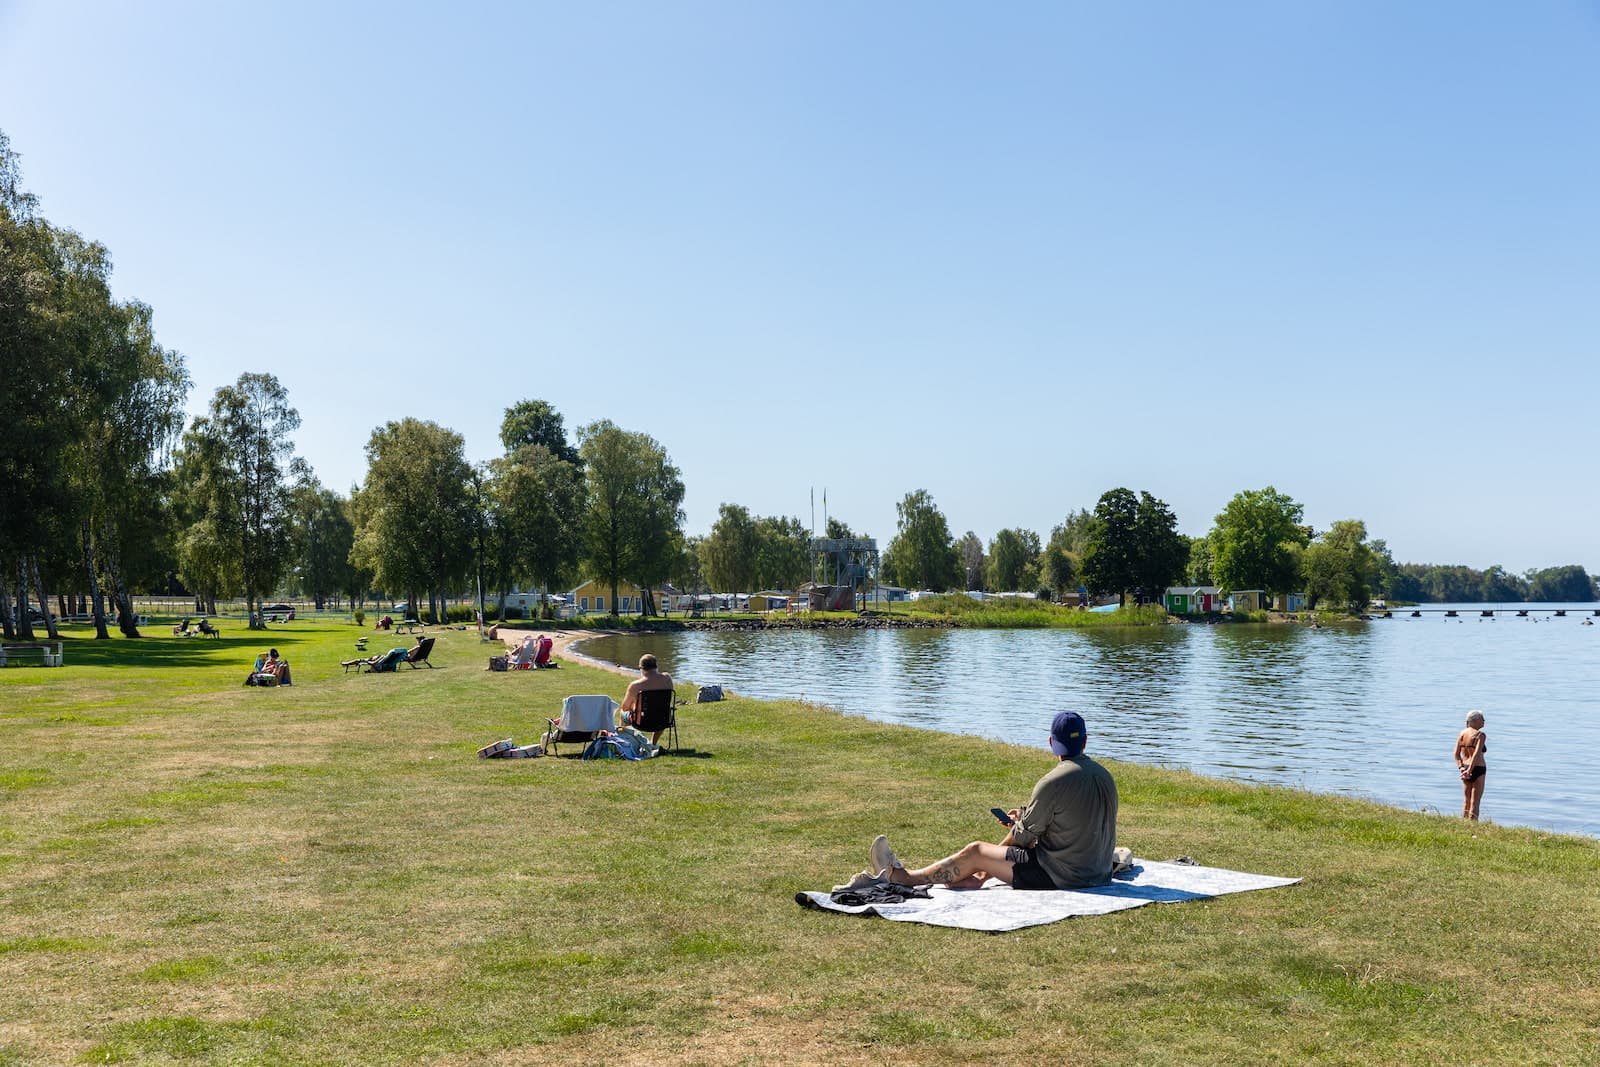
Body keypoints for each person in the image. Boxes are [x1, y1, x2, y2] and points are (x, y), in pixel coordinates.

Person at [856, 711, 1118, 891]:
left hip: (1062, 877)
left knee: (976, 851)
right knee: (997, 853)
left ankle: (903, 878)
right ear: (1084, 741)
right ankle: (977, 876)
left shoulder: (1053, 782)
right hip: (1097, 871)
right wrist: (1023, 823)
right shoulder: (1105, 776)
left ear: (1052, 743)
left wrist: (1010, 836)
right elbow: (1077, 823)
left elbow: (1023, 839)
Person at [619, 654, 675, 744]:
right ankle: (653, 743)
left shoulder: (635, 685)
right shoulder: (667, 679)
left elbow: (625, 707)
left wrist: (634, 706)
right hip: (663, 720)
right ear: (656, 666)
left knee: (623, 713)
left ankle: (625, 742)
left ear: (641, 668)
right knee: (659, 710)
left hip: (641, 722)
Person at [1454, 709, 1487, 820]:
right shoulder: (1480, 735)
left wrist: (1462, 768)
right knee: (1475, 801)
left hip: (1466, 767)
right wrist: (1470, 771)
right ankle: (1473, 825)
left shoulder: (1462, 733)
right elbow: (1476, 754)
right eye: (1482, 718)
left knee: (1466, 800)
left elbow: (1456, 754)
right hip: (1478, 768)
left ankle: (1464, 823)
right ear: (1474, 720)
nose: (1484, 721)